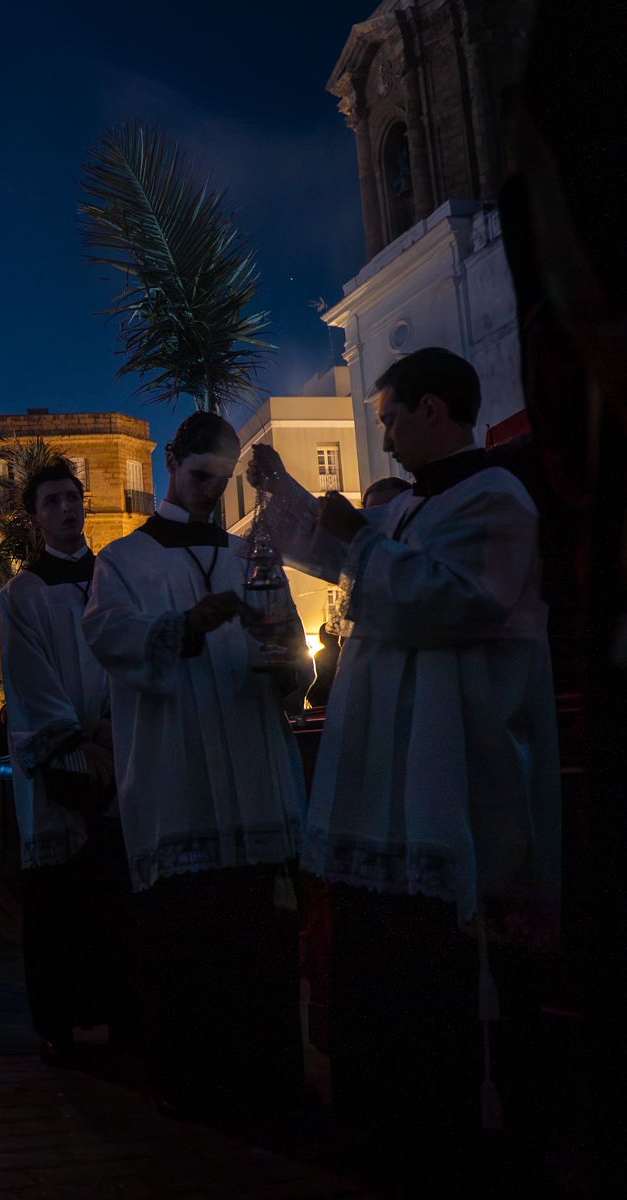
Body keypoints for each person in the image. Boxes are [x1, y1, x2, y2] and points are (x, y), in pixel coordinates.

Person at [251, 347, 560, 1145]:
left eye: (389, 419)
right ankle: (383, 1116)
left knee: (446, 975)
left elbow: (456, 600)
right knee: (384, 963)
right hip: (385, 770)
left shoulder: (498, 500)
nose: (382, 437)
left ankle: (450, 1130)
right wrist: (280, 493)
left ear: (433, 410)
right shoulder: (408, 508)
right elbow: (336, 553)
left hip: (448, 768)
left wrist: (361, 541)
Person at [83, 411, 308, 1121]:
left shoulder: (252, 559)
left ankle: (267, 1077)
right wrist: (182, 626)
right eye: (200, 476)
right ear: (171, 463)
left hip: (252, 776)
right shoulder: (123, 561)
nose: (211, 491)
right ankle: (190, 1077)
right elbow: (109, 637)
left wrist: (287, 665)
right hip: (176, 776)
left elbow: (295, 652)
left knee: (257, 940)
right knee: (187, 941)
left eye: (222, 479)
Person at [0, 459, 134, 1067]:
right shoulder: (22, 595)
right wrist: (82, 736)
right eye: (51, 502)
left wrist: (115, 728)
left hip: (118, 756)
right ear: (35, 518)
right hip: (64, 764)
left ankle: (119, 1012)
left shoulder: (114, 578)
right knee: (60, 904)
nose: (65, 510)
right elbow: (29, 681)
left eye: (72, 498)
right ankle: (60, 1019)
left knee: (114, 899)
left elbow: (128, 655)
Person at [305, 625, 341, 709]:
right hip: (332, 692)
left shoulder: (319, 655)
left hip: (324, 693)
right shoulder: (343, 653)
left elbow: (317, 676)